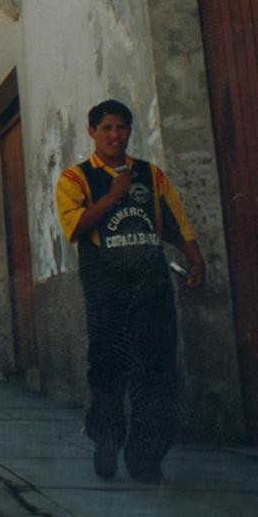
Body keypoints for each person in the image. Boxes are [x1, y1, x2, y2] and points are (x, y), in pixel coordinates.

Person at [55, 99, 205, 485]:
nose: (114, 135)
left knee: (156, 370)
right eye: (105, 128)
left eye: (121, 127)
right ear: (92, 132)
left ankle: (146, 457)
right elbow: (74, 227)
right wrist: (112, 196)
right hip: (106, 287)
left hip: (151, 283)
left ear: (129, 132)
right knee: (107, 366)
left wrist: (195, 259)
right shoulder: (75, 179)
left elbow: (176, 220)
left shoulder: (151, 175)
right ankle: (106, 437)